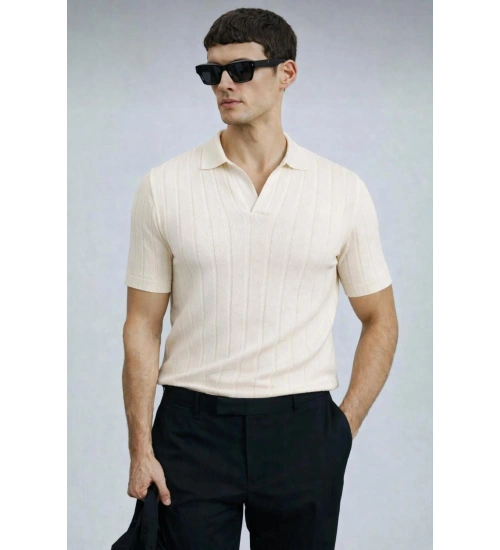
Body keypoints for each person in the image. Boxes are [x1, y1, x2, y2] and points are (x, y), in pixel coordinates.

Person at [121, 7, 398, 549]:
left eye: (241, 70)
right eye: (212, 72)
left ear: (286, 73)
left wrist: (341, 430)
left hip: (301, 429)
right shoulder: (164, 187)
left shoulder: (341, 190)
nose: (224, 84)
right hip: (191, 429)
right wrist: (140, 448)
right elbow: (141, 325)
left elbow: (380, 318)